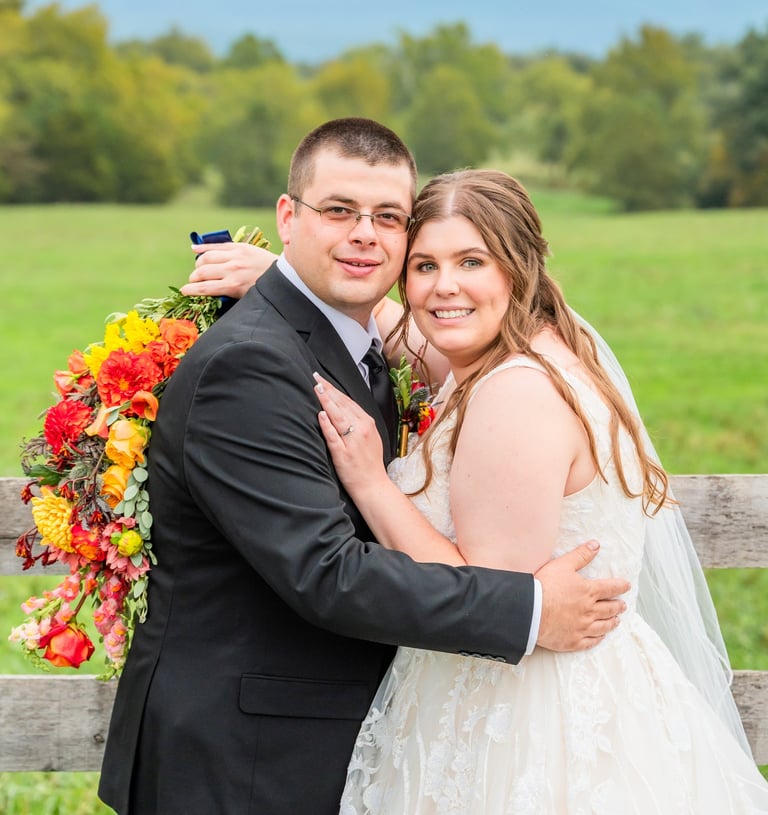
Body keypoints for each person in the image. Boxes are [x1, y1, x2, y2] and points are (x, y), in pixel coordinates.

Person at [97, 119, 629, 815]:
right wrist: (530, 608)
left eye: (388, 217)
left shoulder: (360, 340)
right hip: (245, 759)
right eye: (339, 211)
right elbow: (327, 572)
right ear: (288, 217)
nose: (365, 235)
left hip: (316, 739)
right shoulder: (250, 363)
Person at [307, 168, 768, 813]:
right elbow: (410, 325)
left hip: (527, 719)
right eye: (424, 265)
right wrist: (282, 272)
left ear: (517, 270)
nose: (444, 287)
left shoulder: (517, 391)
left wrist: (369, 481)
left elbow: (484, 597)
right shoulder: (513, 350)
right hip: (527, 692)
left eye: (472, 261)